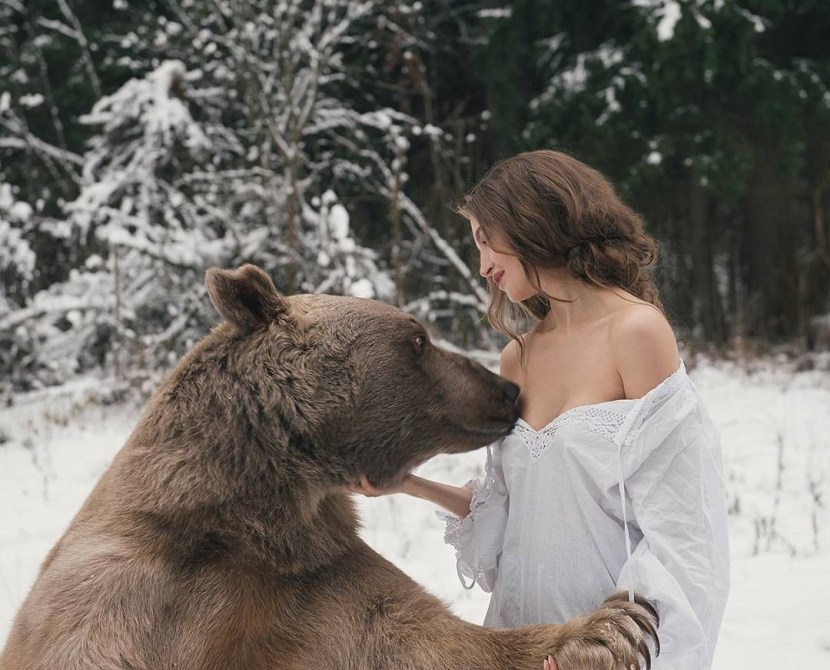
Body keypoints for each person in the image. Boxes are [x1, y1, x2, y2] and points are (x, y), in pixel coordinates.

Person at [352, 149, 730, 670]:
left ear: (530, 222)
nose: (483, 266)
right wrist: (405, 483)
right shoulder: (519, 357)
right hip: (521, 642)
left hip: (600, 652)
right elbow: (506, 515)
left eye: (486, 241)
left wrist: (606, 651)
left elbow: (683, 530)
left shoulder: (636, 332)